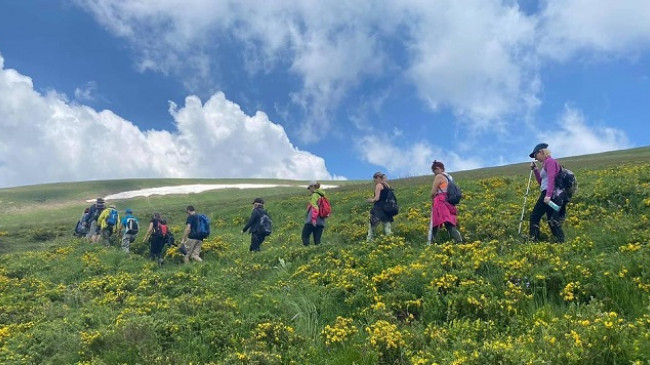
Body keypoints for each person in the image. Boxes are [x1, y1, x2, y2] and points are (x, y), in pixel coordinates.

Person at [529, 143, 566, 242]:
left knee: (534, 216)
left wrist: (548, 195)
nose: (535, 158)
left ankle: (534, 239)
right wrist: (536, 170)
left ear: (541, 152)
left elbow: (551, 178)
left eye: (535, 155)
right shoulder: (546, 163)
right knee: (551, 219)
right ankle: (560, 240)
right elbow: (542, 182)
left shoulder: (550, 161)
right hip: (549, 193)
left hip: (548, 193)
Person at [428, 161, 462, 244]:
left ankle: (431, 243)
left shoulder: (439, 176)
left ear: (437, 168)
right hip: (449, 202)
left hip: (440, 202)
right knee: (449, 224)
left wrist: (432, 199)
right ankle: (459, 242)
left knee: (435, 223)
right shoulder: (449, 177)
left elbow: (433, 192)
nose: (434, 174)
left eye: (434, 171)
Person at [366, 172, 393, 241]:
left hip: (378, 209)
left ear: (378, 178)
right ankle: (390, 241)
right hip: (387, 209)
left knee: (372, 228)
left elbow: (377, 198)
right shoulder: (387, 186)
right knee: (387, 227)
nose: (374, 181)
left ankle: (369, 243)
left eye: (374, 179)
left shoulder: (379, 185)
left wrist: (370, 200)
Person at [302, 181, 327, 246]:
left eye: (309, 188)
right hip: (321, 222)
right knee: (317, 241)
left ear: (313, 187)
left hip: (312, 221)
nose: (309, 190)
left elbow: (314, 208)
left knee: (305, 236)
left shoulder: (315, 195)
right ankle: (320, 254)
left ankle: (307, 252)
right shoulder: (322, 195)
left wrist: (313, 219)